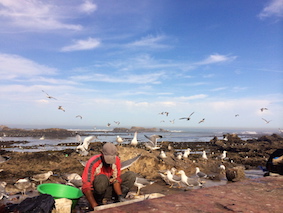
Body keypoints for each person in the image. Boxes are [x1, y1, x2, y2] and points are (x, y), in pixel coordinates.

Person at [82, 142, 136, 210]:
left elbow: (116, 180)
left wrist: (120, 196)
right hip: (96, 191)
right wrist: (94, 205)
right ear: (102, 154)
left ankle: (118, 200)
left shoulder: (116, 160)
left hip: (108, 189)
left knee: (130, 175)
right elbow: (86, 187)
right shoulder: (93, 162)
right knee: (102, 178)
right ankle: (99, 201)